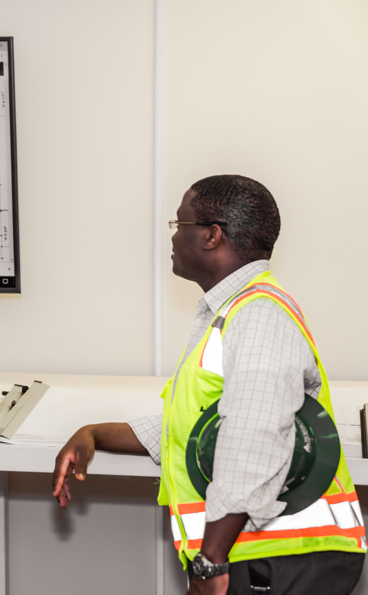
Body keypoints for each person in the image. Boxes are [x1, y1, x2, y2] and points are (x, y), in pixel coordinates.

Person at [52, 175, 366, 595]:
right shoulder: (231, 312)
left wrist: (210, 562)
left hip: (275, 559)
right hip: (263, 557)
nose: (172, 238)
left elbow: (251, 440)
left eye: (178, 224)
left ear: (212, 235)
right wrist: (94, 434)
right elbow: (201, 426)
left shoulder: (257, 316)